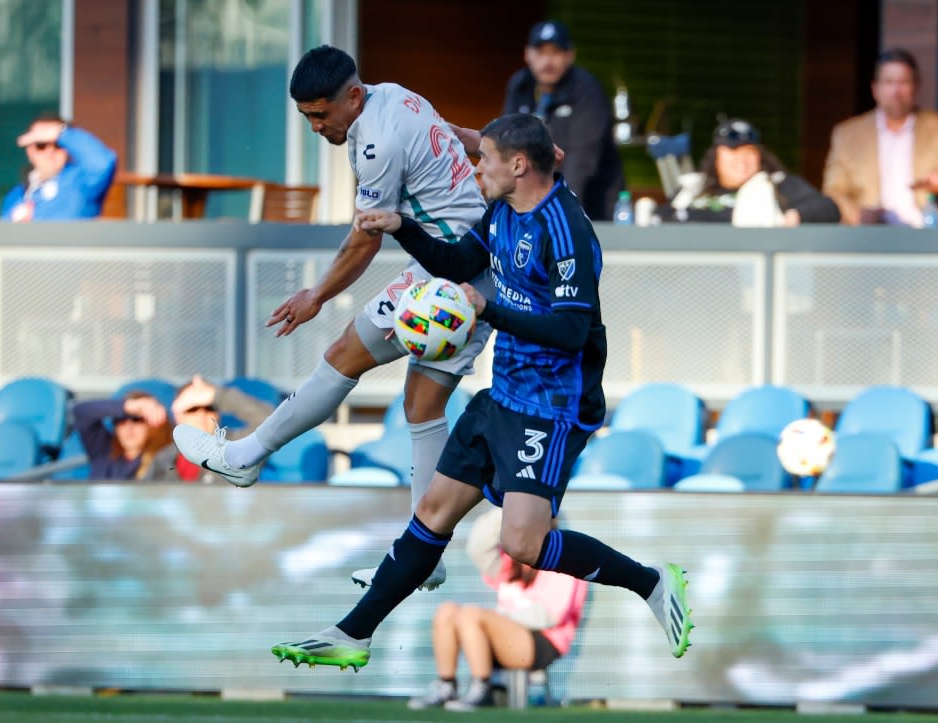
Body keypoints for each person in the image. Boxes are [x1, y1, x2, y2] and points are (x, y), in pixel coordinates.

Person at [270, 113, 692, 674]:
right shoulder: (500, 210)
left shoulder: (565, 230)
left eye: (484, 158)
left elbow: (570, 330)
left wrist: (488, 308)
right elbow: (453, 264)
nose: (476, 168)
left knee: (523, 544)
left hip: (551, 406)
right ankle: (354, 633)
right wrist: (400, 225)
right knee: (433, 511)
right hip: (503, 394)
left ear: (518, 166)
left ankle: (650, 583)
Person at [172, 45, 491, 591]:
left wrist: (316, 294)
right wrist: (501, 150)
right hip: (475, 269)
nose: (317, 127)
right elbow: (453, 132)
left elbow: (364, 239)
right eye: (307, 118)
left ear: (353, 96)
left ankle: (245, 455)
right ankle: (425, 557)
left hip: (450, 279)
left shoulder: (375, 143)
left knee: (345, 354)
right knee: (423, 405)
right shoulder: (398, 95)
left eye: (322, 114)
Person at [408, 507, 588, 712]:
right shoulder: (510, 561)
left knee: (471, 615)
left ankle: (482, 690)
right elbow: (477, 547)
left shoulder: (563, 560)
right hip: (506, 635)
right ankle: (446, 686)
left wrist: (499, 619)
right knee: (446, 611)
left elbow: (549, 615)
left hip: (542, 642)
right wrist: (511, 505)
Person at [502, 20, 624, 220]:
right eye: (540, 52)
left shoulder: (587, 90)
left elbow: (580, 160)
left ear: (570, 56)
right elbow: (505, 146)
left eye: (555, 52)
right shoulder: (520, 86)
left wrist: (555, 213)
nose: (547, 61)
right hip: (533, 206)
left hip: (590, 208)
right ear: (527, 54)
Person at [822, 48, 938, 226]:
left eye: (903, 82)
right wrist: (859, 215)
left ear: (915, 86)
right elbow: (833, 192)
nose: (896, 91)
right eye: (889, 82)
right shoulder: (848, 134)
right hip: (870, 236)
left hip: (929, 233)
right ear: (875, 89)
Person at [658, 118, 840, 225]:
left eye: (749, 152)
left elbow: (829, 209)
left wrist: (794, 216)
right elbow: (663, 217)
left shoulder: (778, 185)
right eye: (733, 152)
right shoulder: (693, 188)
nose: (742, 161)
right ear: (717, 156)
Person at [144, 375, 275, 483]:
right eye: (192, 409)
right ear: (178, 416)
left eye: (209, 408)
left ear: (217, 414)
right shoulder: (164, 459)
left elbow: (273, 426)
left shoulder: (235, 449)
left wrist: (218, 396)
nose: (201, 415)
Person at [1, 115, 117, 222]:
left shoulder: (80, 183)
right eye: (41, 145)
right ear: (30, 152)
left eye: (58, 144)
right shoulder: (16, 195)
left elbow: (101, 164)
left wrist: (62, 133)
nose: (50, 151)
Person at [73, 391, 172, 480]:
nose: (128, 428)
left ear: (154, 423)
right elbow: (81, 411)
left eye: (136, 419)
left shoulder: (165, 459)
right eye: (120, 420)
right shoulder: (103, 449)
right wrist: (128, 406)